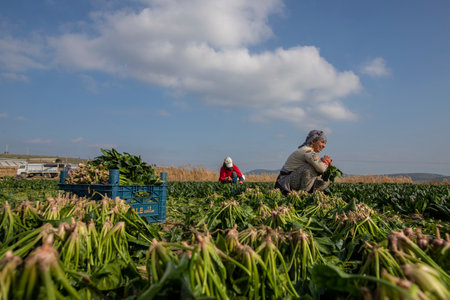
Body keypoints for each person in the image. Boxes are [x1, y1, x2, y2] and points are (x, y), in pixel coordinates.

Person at [275, 130, 332, 195]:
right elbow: (321, 168)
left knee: (326, 177)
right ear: (313, 141)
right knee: (310, 168)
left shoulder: (309, 151)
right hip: (284, 184)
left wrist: (323, 163)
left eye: (325, 143)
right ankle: (302, 195)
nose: (324, 146)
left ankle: (309, 193)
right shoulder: (308, 151)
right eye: (322, 142)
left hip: (291, 181)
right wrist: (325, 162)